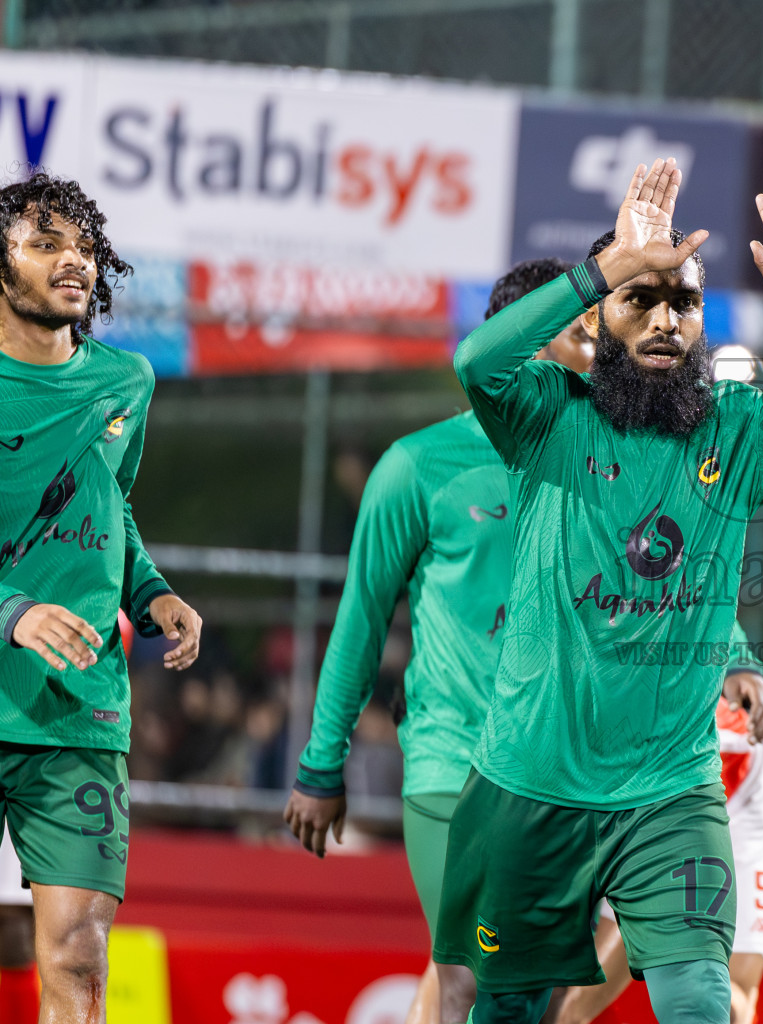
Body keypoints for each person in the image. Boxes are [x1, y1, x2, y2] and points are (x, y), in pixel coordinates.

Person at [432, 154, 763, 1024]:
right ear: (604, 315)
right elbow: (477, 358)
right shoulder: (547, 409)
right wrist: (601, 265)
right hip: (533, 783)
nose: (665, 320)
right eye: (639, 299)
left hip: (671, 791)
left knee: (700, 996)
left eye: (684, 302)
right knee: (507, 1008)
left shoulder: (745, 427)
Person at [282, 256, 600, 1024]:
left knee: (527, 986)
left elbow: (681, 574)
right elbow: (360, 619)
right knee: (470, 972)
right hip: (451, 759)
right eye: (578, 333)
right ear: (518, 342)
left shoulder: (609, 458)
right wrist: (324, 764)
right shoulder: (417, 467)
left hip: (572, 769)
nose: (597, 350)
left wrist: (734, 657)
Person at [0, 171, 203, 1023]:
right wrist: (13, 613)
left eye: (83, 246)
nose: (73, 261)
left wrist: (150, 589)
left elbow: (107, 500)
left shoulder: (127, 382)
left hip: (77, 710)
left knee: (79, 956)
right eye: (45, 244)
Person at [553, 629, 763, 1024]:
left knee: (730, 986)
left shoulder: (651, 727)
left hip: (753, 800)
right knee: (579, 1000)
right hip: (660, 787)